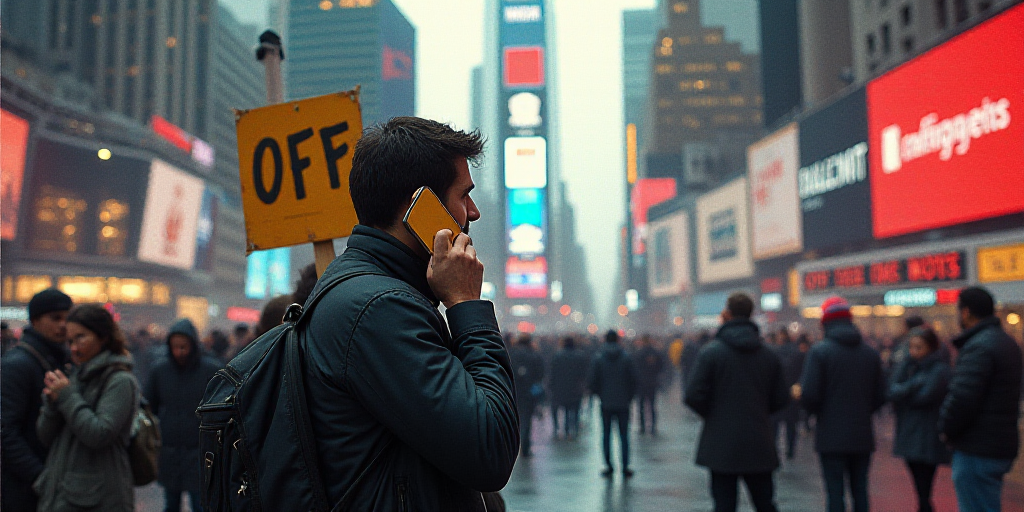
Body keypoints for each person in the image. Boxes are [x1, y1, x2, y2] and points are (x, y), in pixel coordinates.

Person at [298, 117, 518, 510]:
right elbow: (491, 449)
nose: (473, 211)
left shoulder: (370, 292)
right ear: (421, 205)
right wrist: (466, 305)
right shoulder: (378, 310)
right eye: (463, 195)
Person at [685, 294, 789, 512]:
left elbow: (693, 395)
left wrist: (714, 414)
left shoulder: (711, 353)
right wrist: (759, 410)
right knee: (764, 504)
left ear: (727, 314)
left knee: (724, 505)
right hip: (759, 440)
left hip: (721, 444)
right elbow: (781, 398)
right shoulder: (769, 355)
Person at [34, 304, 139, 511]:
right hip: (61, 493)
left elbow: (99, 434)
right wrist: (52, 404)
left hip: (97, 499)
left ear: (103, 336)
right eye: (70, 341)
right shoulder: (76, 376)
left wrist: (66, 396)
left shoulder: (120, 380)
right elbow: (44, 437)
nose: (73, 347)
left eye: (81, 337)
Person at [939, 287, 1022, 512]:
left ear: (965, 312)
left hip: (977, 447)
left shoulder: (978, 347)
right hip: (999, 443)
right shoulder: (1006, 342)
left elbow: (962, 398)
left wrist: (946, 429)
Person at [800, 296, 886, 512]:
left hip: (830, 435)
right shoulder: (870, 353)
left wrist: (817, 414)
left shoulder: (820, 352)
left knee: (834, 491)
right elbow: (881, 394)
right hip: (862, 434)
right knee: (860, 490)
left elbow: (810, 394)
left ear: (825, 323)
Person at [0, 289, 72, 512]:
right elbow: (5, 431)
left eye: (67, 318)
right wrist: (39, 476)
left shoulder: (61, 359)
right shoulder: (17, 364)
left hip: (55, 483)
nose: (63, 325)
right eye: (55, 318)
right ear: (35, 320)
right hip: (26, 489)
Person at [146, 318, 222, 512]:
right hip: (170, 451)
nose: (179, 352)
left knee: (200, 503)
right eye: (175, 347)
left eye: (183, 346)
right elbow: (149, 406)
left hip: (199, 450)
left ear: (193, 345)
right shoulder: (160, 371)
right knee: (171, 503)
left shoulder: (210, 370)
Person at [889, 327, 951, 512]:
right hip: (911, 433)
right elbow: (892, 390)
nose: (914, 352)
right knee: (919, 487)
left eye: (919, 347)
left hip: (927, 436)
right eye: (911, 347)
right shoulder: (910, 367)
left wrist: (905, 391)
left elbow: (923, 397)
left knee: (924, 489)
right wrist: (913, 383)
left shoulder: (940, 370)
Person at [589, 329, 638, 477]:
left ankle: (609, 465)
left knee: (606, 435)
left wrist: (601, 395)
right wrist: (628, 397)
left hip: (606, 402)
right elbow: (633, 380)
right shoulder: (626, 358)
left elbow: (593, 381)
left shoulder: (599, 358)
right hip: (623, 402)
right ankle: (625, 466)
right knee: (624, 435)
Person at [509, 333, 545, 455]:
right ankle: (525, 447)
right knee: (526, 420)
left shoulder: (511, 354)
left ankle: (513, 446)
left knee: (514, 420)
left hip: (513, 391)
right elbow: (540, 373)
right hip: (529, 392)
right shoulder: (534, 355)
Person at [773, 327, 805, 459]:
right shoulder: (798, 352)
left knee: (775, 425)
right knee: (791, 425)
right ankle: (790, 450)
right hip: (793, 393)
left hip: (777, 394)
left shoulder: (774, 352)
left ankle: (774, 449)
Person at [548, 336, 588, 440]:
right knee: (574, 409)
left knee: (563, 408)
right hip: (575, 387)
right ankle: (572, 429)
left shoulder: (557, 356)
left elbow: (552, 373)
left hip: (560, 387)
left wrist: (551, 386)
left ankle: (561, 429)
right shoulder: (580, 356)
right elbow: (584, 373)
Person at [635, 334, 666, 435]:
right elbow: (661, 366)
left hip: (641, 382)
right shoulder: (656, 353)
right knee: (652, 405)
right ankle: (653, 427)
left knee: (641, 406)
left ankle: (642, 426)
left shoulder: (638, 353)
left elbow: (634, 368)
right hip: (652, 382)